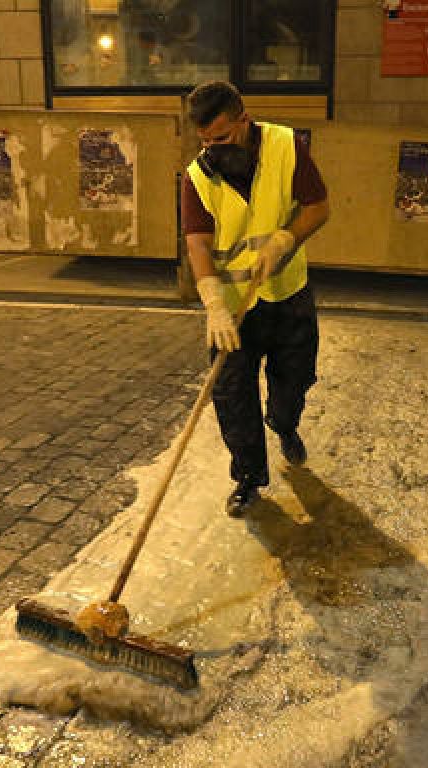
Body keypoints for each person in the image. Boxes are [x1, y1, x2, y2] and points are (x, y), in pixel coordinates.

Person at [181, 80, 329, 518]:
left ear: (244, 120)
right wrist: (212, 303)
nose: (213, 149)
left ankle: (284, 424)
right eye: (204, 141)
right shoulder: (198, 177)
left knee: (294, 379)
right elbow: (198, 244)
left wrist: (285, 240)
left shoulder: (286, 146)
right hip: (233, 309)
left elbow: (319, 207)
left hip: (287, 295)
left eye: (222, 138)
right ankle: (248, 476)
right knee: (231, 395)